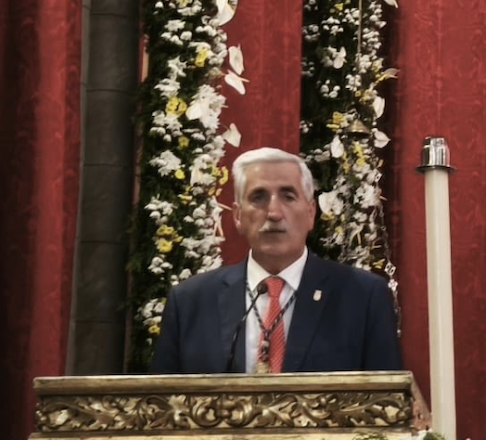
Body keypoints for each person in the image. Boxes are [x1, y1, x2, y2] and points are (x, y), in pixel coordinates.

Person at [149, 148, 403, 374]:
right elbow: (162, 408)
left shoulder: (362, 297)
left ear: (311, 213)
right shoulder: (190, 302)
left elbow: (386, 408)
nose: (274, 213)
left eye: (288, 196)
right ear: (237, 216)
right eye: (258, 197)